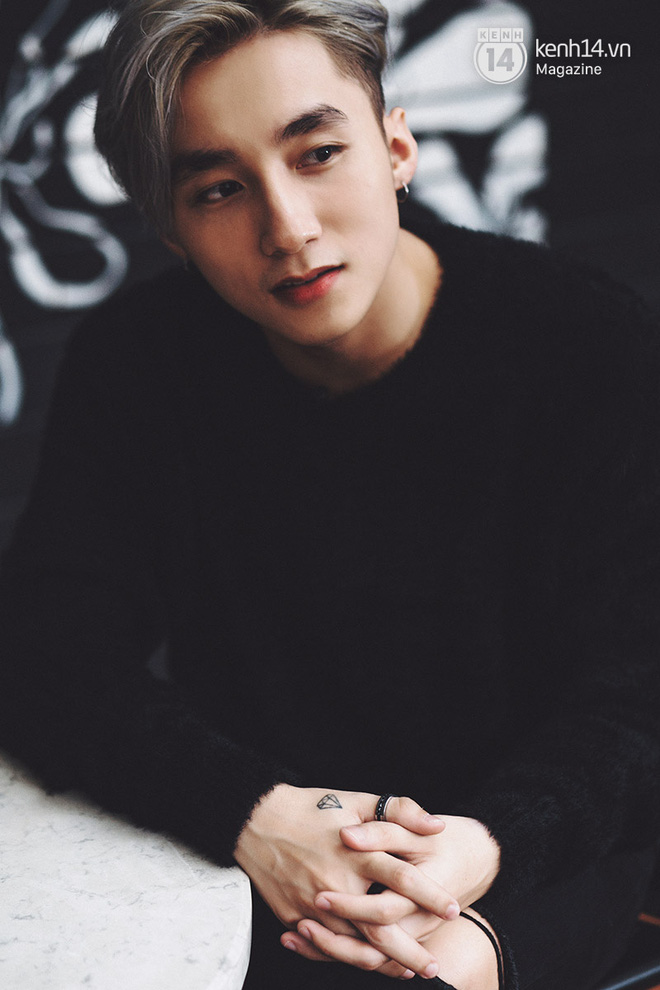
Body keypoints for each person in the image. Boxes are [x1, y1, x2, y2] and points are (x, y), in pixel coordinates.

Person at [1, 1, 660, 988]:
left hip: (548, 850)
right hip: (272, 852)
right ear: (171, 228)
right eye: (220, 189)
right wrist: (253, 813)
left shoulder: (589, 348)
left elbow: (637, 698)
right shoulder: (141, 366)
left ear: (396, 147)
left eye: (317, 154)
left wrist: (482, 853)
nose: (289, 228)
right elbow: (48, 654)